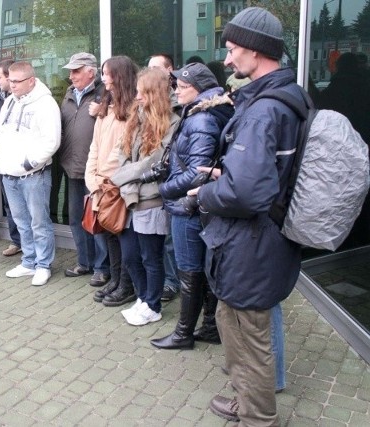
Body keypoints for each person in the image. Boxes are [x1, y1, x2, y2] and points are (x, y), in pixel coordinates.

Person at [193, 7, 304, 424]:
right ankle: (246, 402)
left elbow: (246, 194)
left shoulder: (263, 110)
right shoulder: (287, 97)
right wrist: (229, 172)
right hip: (264, 239)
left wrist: (205, 192)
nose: (227, 59)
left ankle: (258, 418)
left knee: (249, 337)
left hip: (251, 244)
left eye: (233, 48)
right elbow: (266, 175)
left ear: (256, 51)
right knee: (235, 327)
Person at [150, 63, 233, 349]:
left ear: (198, 89)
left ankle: (183, 334)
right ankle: (210, 327)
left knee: (190, 272)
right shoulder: (207, 113)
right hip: (199, 204)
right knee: (203, 271)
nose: (176, 91)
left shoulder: (202, 119)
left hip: (188, 205)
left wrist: (164, 190)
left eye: (182, 87)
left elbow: (199, 170)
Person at [110, 67, 180, 326]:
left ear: (155, 93)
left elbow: (155, 161)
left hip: (152, 199)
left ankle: (153, 305)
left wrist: (120, 177)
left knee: (151, 257)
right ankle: (142, 298)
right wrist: (126, 180)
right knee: (130, 256)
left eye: (142, 92)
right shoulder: (136, 117)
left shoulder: (172, 121)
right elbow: (123, 152)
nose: (137, 96)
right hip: (129, 198)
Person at [0, 61, 61, 286]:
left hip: (33, 176)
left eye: (16, 81)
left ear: (31, 80)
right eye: (10, 80)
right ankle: (29, 261)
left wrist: (28, 163)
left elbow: (51, 141)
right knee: (21, 221)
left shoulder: (46, 104)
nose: (11, 85)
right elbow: (0, 132)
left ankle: (43, 265)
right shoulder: (9, 102)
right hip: (8, 175)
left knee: (39, 222)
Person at [85, 56, 138, 306]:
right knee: (108, 234)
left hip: (117, 185)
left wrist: (106, 179)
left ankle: (126, 286)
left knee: (122, 236)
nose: (103, 78)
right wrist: (92, 176)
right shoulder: (105, 106)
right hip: (101, 184)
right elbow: (95, 146)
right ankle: (115, 280)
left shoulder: (133, 110)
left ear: (120, 76)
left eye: (107, 74)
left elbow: (124, 152)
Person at [58, 52, 110, 287]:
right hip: (72, 167)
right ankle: (85, 262)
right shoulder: (69, 95)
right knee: (76, 218)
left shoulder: (104, 95)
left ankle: (102, 267)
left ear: (91, 71)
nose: (71, 76)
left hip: (95, 171)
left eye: (76, 71)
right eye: (70, 71)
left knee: (97, 221)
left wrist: (103, 111)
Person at [148, 53, 181, 301]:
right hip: (152, 183)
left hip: (171, 181)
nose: (153, 73)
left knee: (170, 237)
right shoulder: (146, 106)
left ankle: (172, 281)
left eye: (157, 68)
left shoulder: (177, 105)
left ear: (171, 70)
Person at [0, 59, 22, 257]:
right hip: (3, 160)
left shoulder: (23, 101)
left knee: (22, 207)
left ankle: (29, 245)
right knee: (9, 205)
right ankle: (16, 241)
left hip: (20, 163)